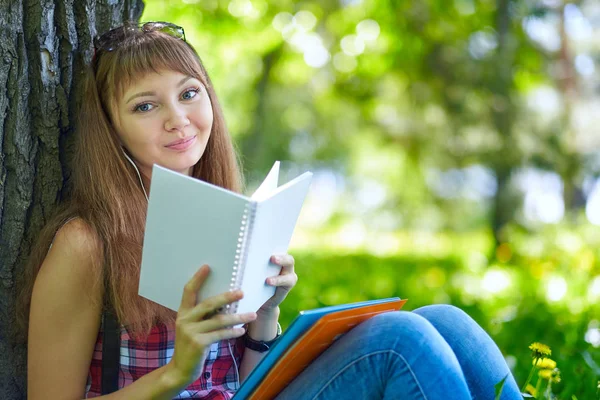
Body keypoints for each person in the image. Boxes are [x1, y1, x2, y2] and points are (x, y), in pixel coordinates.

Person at [16, 21, 522, 399]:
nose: (178, 119)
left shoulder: (223, 213)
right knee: (398, 339)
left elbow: (239, 379)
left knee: (447, 320)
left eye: (189, 94)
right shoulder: (86, 243)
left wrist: (267, 312)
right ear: (112, 129)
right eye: (145, 106)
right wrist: (176, 373)